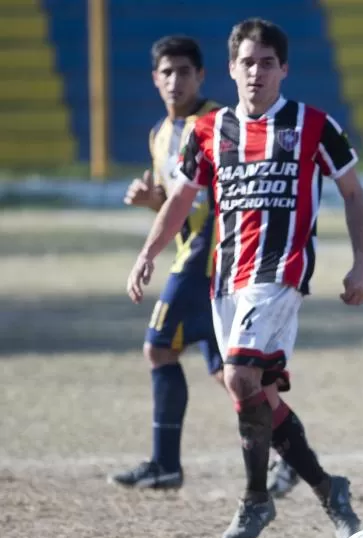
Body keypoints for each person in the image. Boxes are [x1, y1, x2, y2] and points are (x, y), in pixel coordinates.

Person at [126, 18, 363, 538]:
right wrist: (148, 252)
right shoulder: (209, 132)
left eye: (266, 62)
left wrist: (361, 263)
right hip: (225, 277)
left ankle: (256, 497)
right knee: (256, 393)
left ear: (283, 68)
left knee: (238, 376)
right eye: (247, 62)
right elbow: (181, 200)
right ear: (232, 69)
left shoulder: (312, 125)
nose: (256, 72)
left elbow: (353, 192)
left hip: (279, 273)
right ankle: (330, 490)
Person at [110, 36, 225, 490]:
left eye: (184, 71)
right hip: (190, 248)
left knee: (158, 346)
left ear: (201, 76)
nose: (175, 80)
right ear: (155, 79)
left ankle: (165, 462)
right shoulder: (159, 134)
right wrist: (149, 201)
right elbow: (175, 196)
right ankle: (292, 457)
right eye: (166, 72)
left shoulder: (218, 122)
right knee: (229, 373)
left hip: (212, 250)